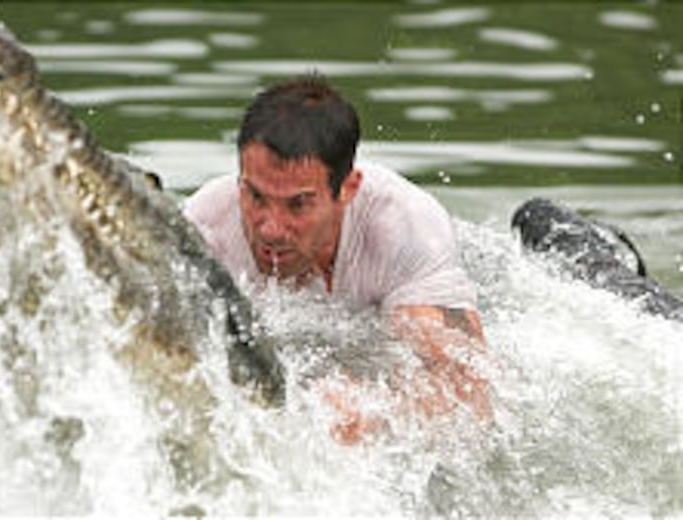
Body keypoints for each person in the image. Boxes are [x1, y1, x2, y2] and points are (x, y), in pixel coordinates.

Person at [183, 74, 490, 444]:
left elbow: (473, 401)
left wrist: (378, 413)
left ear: (348, 188)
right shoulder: (205, 227)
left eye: (298, 204)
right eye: (256, 196)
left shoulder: (405, 230)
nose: (271, 230)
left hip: (391, 341)